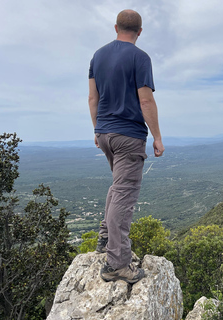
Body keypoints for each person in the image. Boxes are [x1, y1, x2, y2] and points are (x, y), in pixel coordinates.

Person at [88, 9, 164, 284]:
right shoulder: (140, 58)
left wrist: (97, 129)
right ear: (140, 32)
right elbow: (145, 101)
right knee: (124, 193)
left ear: (116, 26)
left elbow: (92, 98)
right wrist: (156, 136)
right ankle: (117, 263)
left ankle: (106, 237)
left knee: (117, 187)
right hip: (129, 135)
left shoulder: (98, 56)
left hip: (106, 133)